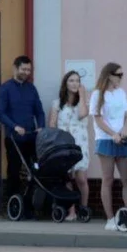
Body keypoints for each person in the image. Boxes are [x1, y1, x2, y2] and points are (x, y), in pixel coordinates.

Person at [90, 62, 127, 231]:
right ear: (109, 75)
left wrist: (123, 131)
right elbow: (98, 119)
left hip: (121, 139)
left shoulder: (121, 93)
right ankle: (110, 219)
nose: (121, 78)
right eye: (118, 75)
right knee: (108, 179)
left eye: (122, 75)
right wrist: (112, 133)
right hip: (105, 140)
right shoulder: (97, 94)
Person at [0, 56, 45, 207]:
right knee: (14, 171)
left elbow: (39, 111)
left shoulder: (31, 88)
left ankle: (31, 204)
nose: (26, 72)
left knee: (35, 169)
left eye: (29, 70)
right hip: (14, 138)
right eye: (23, 69)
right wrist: (14, 126)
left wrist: (41, 126)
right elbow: (0, 113)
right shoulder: (5, 88)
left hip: (31, 138)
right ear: (15, 68)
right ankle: (13, 204)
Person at [48, 71, 91, 220]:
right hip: (63, 143)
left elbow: (82, 114)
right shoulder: (56, 103)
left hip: (80, 143)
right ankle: (71, 211)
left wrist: (82, 95)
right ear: (65, 84)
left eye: (77, 81)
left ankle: (84, 208)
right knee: (67, 178)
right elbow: (52, 125)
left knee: (81, 178)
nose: (74, 83)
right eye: (71, 80)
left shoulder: (83, 102)